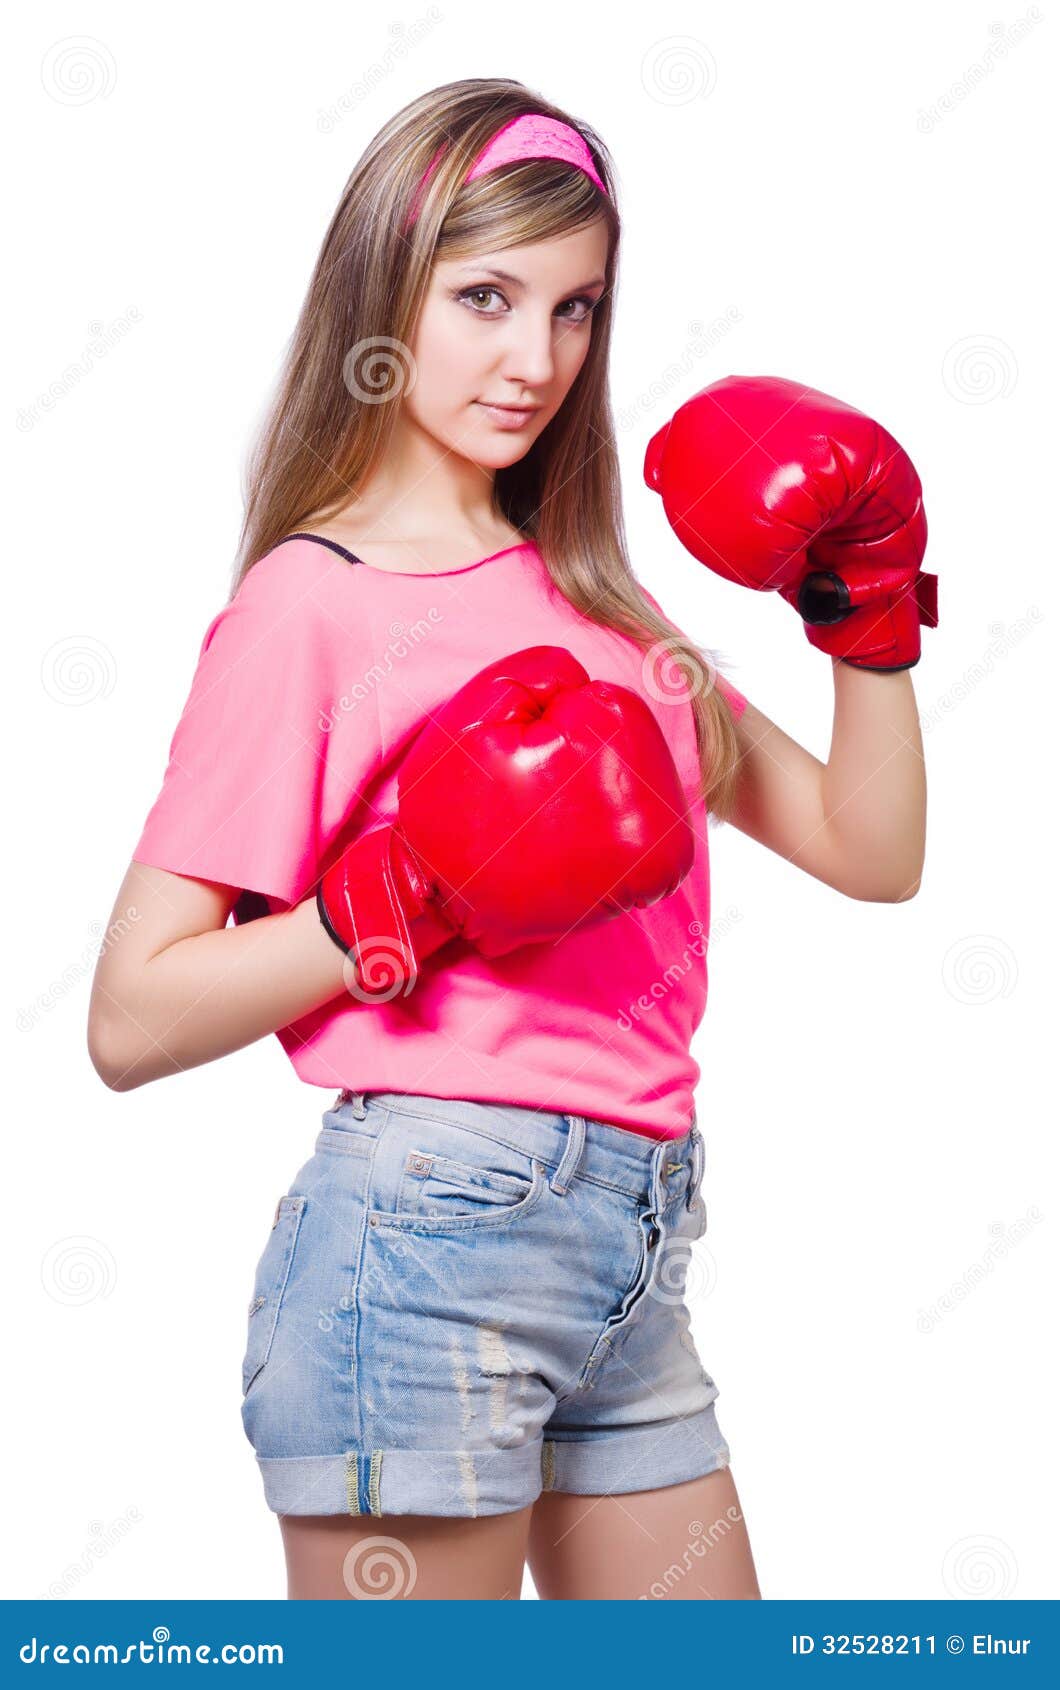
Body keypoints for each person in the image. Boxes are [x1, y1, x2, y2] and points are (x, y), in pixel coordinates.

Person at [86, 78, 928, 1602]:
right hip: (421, 1239)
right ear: (386, 289)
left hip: (638, 1242)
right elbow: (131, 1015)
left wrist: (870, 603)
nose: (534, 358)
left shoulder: (605, 608)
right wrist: (413, 892)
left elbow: (868, 849)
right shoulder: (313, 601)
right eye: (485, 296)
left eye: (576, 308)